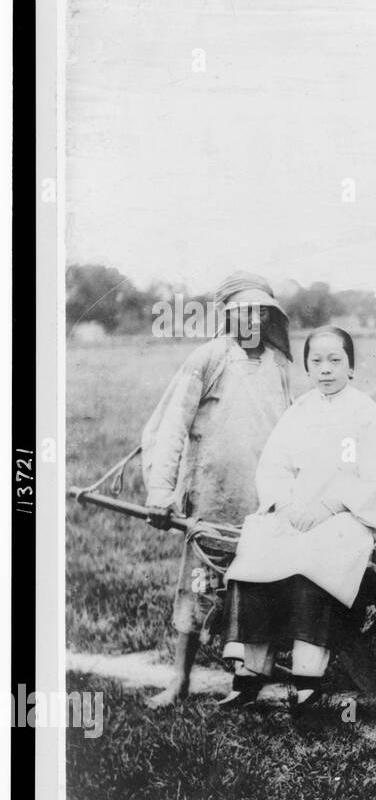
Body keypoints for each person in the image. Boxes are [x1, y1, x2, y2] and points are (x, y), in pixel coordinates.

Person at [220, 327, 376, 709]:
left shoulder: (364, 412)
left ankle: (307, 681)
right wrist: (285, 506)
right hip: (295, 510)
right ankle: (250, 674)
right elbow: (274, 467)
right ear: (307, 367)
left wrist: (328, 508)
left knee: (313, 560)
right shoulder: (299, 411)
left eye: (336, 360)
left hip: (344, 516)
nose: (326, 370)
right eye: (316, 361)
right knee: (258, 547)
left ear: (351, 366)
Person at [140, 271, 293, 708]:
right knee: (197, 587)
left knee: (256, 586)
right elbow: (172, 426)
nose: (252, 321)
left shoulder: (277, 366)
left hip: (262, 501)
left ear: (268, 317)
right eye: (242, 313)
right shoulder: (207, 359)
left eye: (259, 313)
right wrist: (161, 492)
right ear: (229, 317)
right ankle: (179, 679)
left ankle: (247, 676)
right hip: (211, 499)